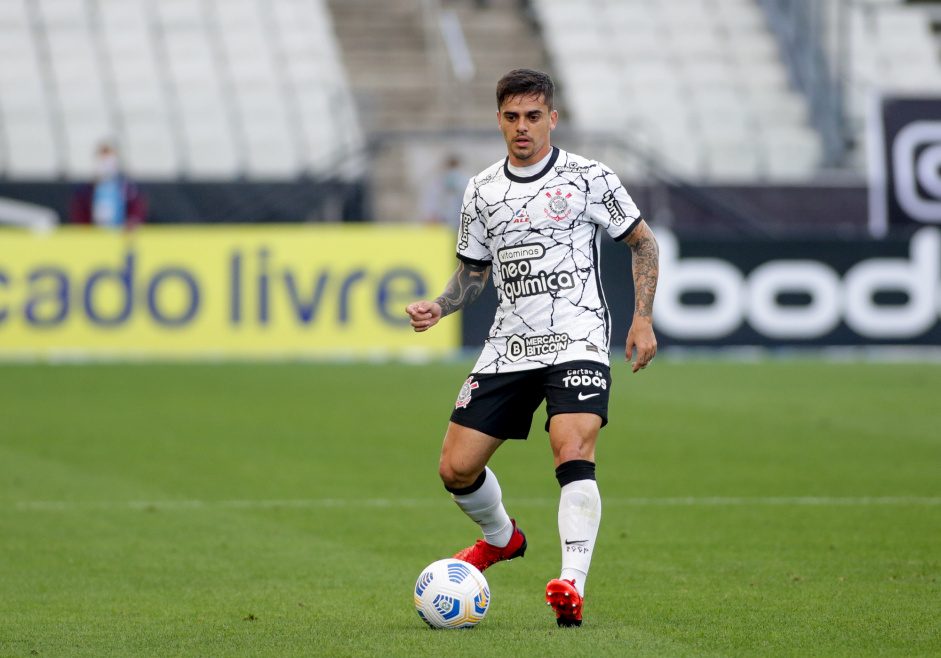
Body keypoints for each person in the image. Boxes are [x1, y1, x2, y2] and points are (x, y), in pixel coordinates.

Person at [405, 69, 659, 627]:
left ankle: (571, 584)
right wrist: (440, 306)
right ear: (498, 118)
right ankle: (502, 538)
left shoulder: (589, 177)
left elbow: (642, 241)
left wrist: (641, 318)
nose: (523, 128)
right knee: (455, 469)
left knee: (572, 448)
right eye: (512, 117)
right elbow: (474, 272)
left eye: (534, 116)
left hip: (578, 335)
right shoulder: (481, 190)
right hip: (509, 345)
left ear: (553, 117)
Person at [69, 141, 147, 229]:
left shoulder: (127, 186)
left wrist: (131, 223)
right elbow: (79, 212)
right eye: (103, 158)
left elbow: (136, 209)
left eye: (109, 158)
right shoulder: (86, 189)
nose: (106, 162)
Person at [420, 155, 469, 233]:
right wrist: (431, 216)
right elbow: (430, 201)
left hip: (462, 222)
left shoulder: (467, 182)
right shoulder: (439, 182)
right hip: (443, 223)